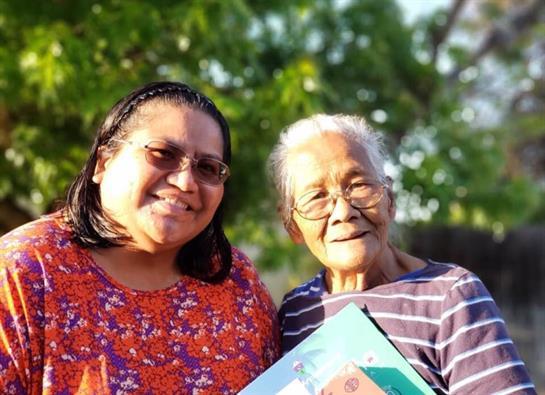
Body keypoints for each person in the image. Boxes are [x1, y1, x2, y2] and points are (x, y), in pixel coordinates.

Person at [0, 81, 280, 394]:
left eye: (207, 168)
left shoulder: (237, 283)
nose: (186, 182)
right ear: (103, 163)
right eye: (163, 153)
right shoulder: (24, 270)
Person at [268, 114, 536, 394]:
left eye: (358, 185)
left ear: (390, 199)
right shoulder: (295, 312)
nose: (343, 212)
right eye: (316, 197)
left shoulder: (450, 297)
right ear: (292, 226)